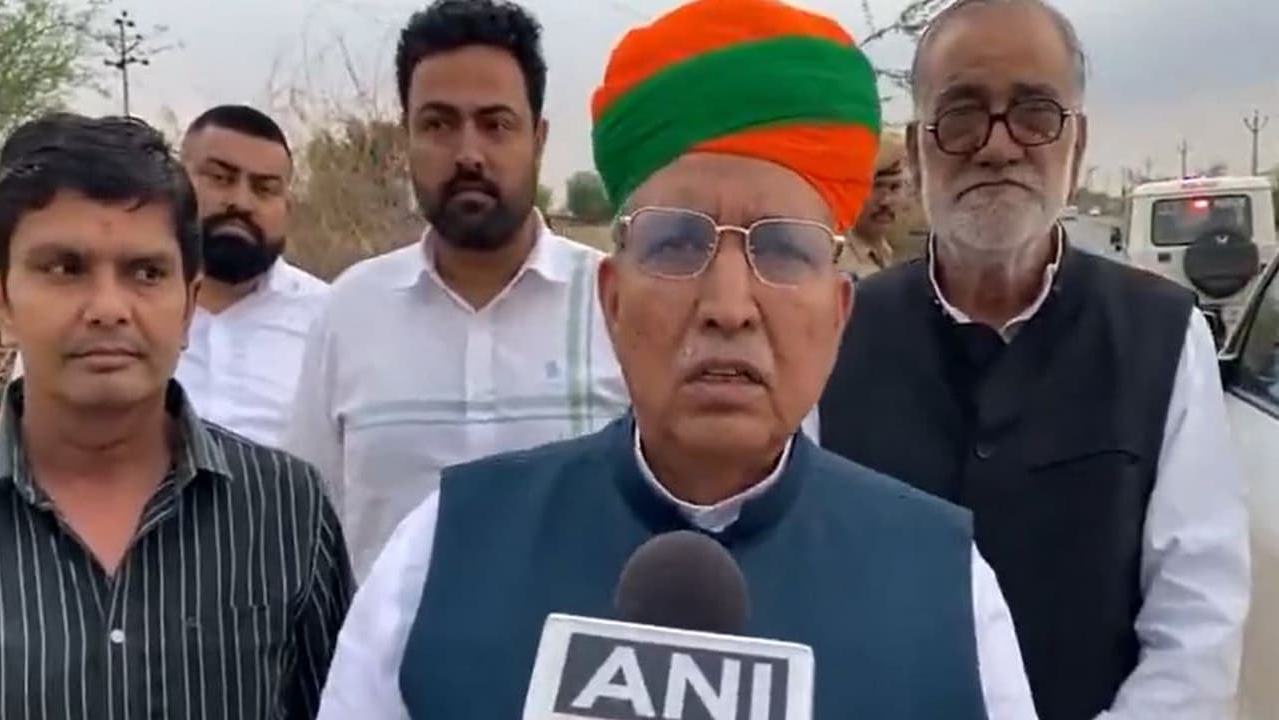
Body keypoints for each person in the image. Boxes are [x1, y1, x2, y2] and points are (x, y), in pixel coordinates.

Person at [313, 1, 1039, 718]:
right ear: (611, 299)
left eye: (782, 249)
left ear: (838, 314)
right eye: (677, 244)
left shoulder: (945, 586)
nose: (729, 305)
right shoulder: (444, 550)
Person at [817, 1, 1249, 718]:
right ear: (918, 153)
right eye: (961, 115)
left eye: (1034, 113)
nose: (997, 146)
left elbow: (1196, 628)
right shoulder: (833, 334)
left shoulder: (1165, 338)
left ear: (1077, 145)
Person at [0, 113, 353, 719]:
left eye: (146, 273)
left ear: (188, 305)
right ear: (4, 300)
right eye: (65, 268)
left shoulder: (288, 512)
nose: (108, 308)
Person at [281, 0, 628, 580]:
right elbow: (303, 529)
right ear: (406, 139)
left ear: (538, 139)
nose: (469, 154)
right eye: (439, 125)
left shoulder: (616, 304)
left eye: (496, 125)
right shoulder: (350, 311)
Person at [175, 105, 328, 446]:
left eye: (264, 188)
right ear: (176, 184)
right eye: (220, 178)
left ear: (287, 206)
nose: (241, 202)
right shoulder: (125, 307)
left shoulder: (331, 319)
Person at [841, 127, 911, 279]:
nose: (886, 201)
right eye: (875, 188)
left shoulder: (884, 251)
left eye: (895, 187)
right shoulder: (836, 260)